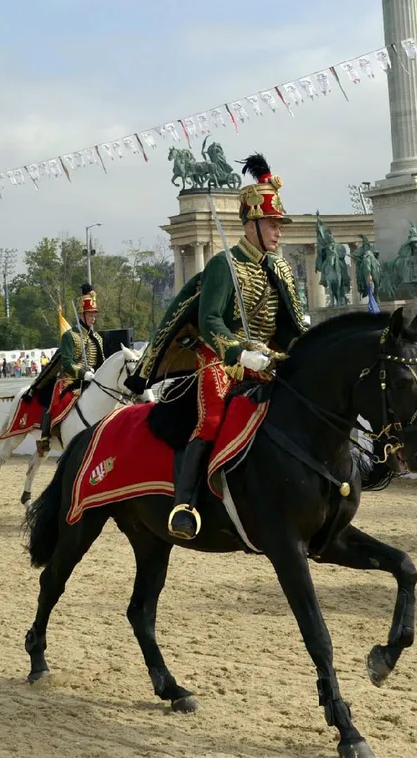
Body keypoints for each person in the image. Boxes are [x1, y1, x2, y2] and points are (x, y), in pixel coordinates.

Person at [126, 154, 307, 540]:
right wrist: (238, 353)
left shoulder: (281, 270)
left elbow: (289, 326)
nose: (279, 232)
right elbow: (210, 321)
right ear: (253, 223)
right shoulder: (225, 265)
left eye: (279, 225)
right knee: (210, 420)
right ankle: (184, 503)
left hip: (268, 360)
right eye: (273, 225)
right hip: (219, 360)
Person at [38, 285, 106, 454]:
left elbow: (101, 361)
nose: (93, 318)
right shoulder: (70, 336)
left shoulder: (97, 337)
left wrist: (99, 375)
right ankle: (46, 437)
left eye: (94, 314)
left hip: (92, 379)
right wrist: (84, 373)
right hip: (70, 379)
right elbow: (67, 363)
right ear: (81, 315)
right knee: (57, 403)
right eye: (90, 314)